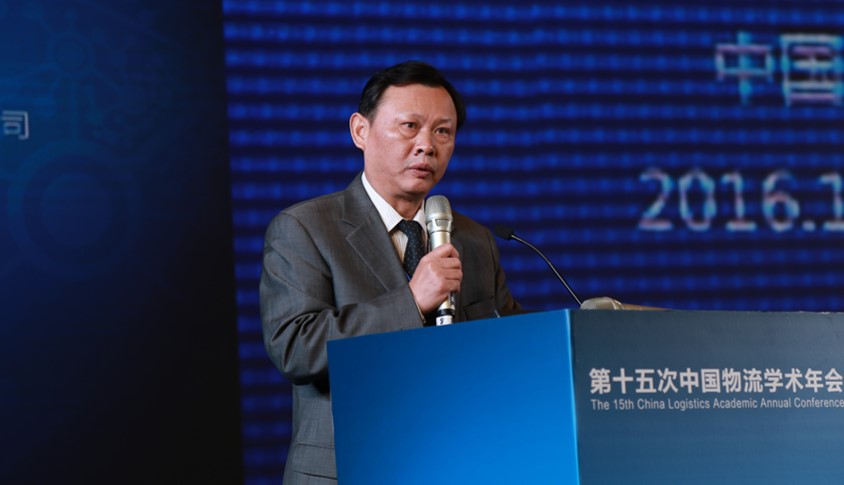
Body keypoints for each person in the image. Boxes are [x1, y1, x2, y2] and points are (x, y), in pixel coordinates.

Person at [260, 60, 521, 484]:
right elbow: (296, 347)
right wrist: (412, 302)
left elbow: (508, 344)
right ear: (360, 131)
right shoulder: (305, 228)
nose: (427, 146)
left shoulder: (473, 239)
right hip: (350, 467)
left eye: (443, 131)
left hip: (457, 463)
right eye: (409, 126)